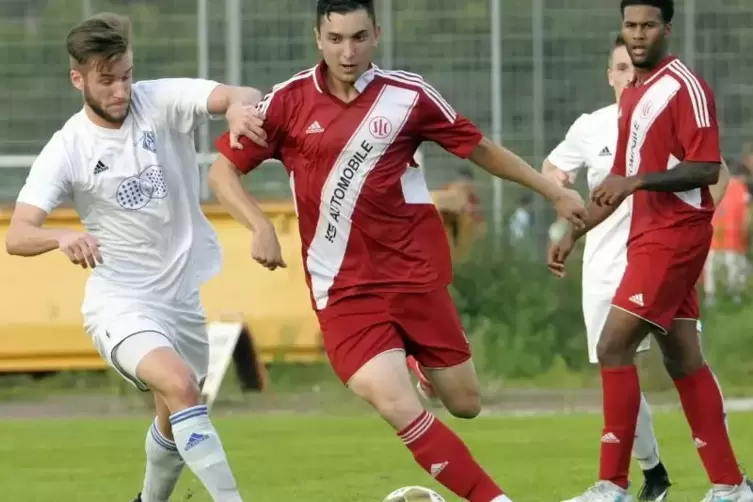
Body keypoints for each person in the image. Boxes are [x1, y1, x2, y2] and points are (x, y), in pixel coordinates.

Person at [207, 1, 587, 501]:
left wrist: (553, 191)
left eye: (359, 37)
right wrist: (258, 225)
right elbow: (221, 171)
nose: (348, 51)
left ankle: (411, 359)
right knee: (396, 405)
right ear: (319, 38)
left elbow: (481, 149)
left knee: (466, 402)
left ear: (376, 35)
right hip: (342, 288)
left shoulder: (408, 97)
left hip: (412, 276)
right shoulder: (287, 102)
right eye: (337, 38)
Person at [4, 12, 269, 502]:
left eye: (126, 75)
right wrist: (61, 238)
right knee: (181, 388)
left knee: (175, 415)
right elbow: (17, 234)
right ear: (77, 78)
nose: (121, 91)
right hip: (121, 302)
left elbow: (238, 94)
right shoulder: (68, 148)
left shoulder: (158, 100)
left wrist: (236, 108)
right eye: (107, 81)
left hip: (182, 300)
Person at [548, 1, 753, 501]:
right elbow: (614, 186)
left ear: (667, 28)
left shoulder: (686, 88)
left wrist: (639, 180)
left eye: (648, 26)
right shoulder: (636, 94)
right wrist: (574, 232)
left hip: (676, 237)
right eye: (630, 25)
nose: (638, 35)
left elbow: (706, 169)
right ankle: (731, 487)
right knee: (684, 358)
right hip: (648, 236)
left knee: (613, 346)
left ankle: (612, 487)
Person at [705, 162, 751, 306]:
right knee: (734, 267)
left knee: (711, 268)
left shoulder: (715, 185)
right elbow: (748, 214)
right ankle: (734, 295)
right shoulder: (741, 188)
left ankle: (710, 297)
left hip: (715, 235)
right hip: (734, 236)